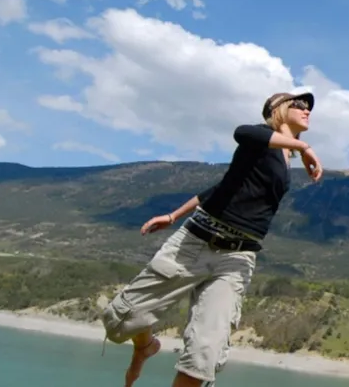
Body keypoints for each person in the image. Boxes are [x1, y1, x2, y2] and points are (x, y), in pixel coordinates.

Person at [100, 92, 323, 387]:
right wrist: (304, 147)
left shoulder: (283, 160)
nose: (306, 110)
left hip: (237, 259)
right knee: (120, 323)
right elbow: (241, 132)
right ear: (277, 110)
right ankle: (145, 345)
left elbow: (222, 187)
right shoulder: (259, 139)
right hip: (195, 243)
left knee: (203, 359)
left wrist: (172, 214)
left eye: (310, 107)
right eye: (299, 104)